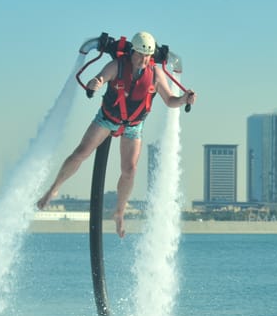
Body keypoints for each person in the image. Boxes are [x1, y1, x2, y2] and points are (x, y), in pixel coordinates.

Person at [36, 31, 196, 237]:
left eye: (147, 56)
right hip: (107, 118)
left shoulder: (156, 74)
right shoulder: (117, 66)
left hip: (134, 125)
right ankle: (53, 189)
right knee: (80, 153)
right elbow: (101, 78)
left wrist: (184, 99)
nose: (143, 60)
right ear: (132, 52)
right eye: (139, 55)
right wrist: (96, 83)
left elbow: (170, 100)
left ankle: (119, 212)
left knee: (130, 170)